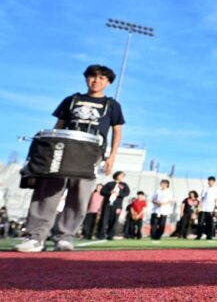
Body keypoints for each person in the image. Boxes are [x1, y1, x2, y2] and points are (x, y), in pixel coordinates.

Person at [14, 65, 125, 253]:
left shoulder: (111, 105)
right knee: (47, 193)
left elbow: (117, 131)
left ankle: (64, 237)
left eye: (101, 78)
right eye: (92, 77)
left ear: (108, 82)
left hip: (90, 154)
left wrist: (112, 156)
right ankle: (35, 237)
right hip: (63, 151)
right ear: (86, 79)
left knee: (79, 197)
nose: (96, 81)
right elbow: (58, 126)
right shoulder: (72, 100)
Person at [98, 171, 130, 240]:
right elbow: (102, 191)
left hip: (117, 205)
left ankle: (110, 235)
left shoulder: (124, 185)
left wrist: (119, 194)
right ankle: (101, 234)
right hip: (107, 204)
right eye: (121, 175)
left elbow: (127, 193)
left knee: (114, 220)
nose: (122, 177)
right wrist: (109, 192)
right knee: (104, 219)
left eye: (123, 176)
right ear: (116, 175)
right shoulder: (109, 184)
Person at [197, 176, 217, 241]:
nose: (210, 182)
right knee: (200, 223)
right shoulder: (205, 189)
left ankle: (209, 236)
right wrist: (199, 207)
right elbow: (202, 198)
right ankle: (199, 235)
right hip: (203, 209)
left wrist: (214, 209)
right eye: (209, 181)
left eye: (212, 181)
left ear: (214, 182)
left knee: (210, 224)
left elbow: (216, 200)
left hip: (210, 209)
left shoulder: (216, 190)